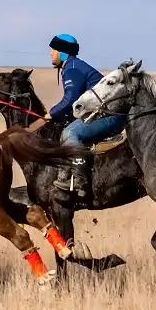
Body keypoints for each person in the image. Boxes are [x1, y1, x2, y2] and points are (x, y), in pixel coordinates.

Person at [28, 34, 125, 197]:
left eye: (54, 50)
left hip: (109, 115)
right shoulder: (73, 65)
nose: (51, 54)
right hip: (103, 113)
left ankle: (81, 179)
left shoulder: (72, 68)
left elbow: (70, 99)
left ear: (63, 52)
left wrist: (49, 114)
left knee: (70, 133)